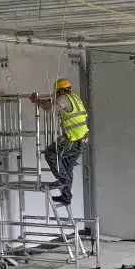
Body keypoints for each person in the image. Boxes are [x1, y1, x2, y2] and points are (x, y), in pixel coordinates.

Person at [31, 78, 89, 206]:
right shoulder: (74, 98)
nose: (55, 94)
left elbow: (51, 108)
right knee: (67, 166)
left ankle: (63, 181)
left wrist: (38, 102)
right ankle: (66, 196)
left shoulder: (63, 98)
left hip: (73, 140)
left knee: (51, 154)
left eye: (56, 91)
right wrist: (38, 100)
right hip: (82, 139)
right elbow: (52, 102)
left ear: (60, 90)